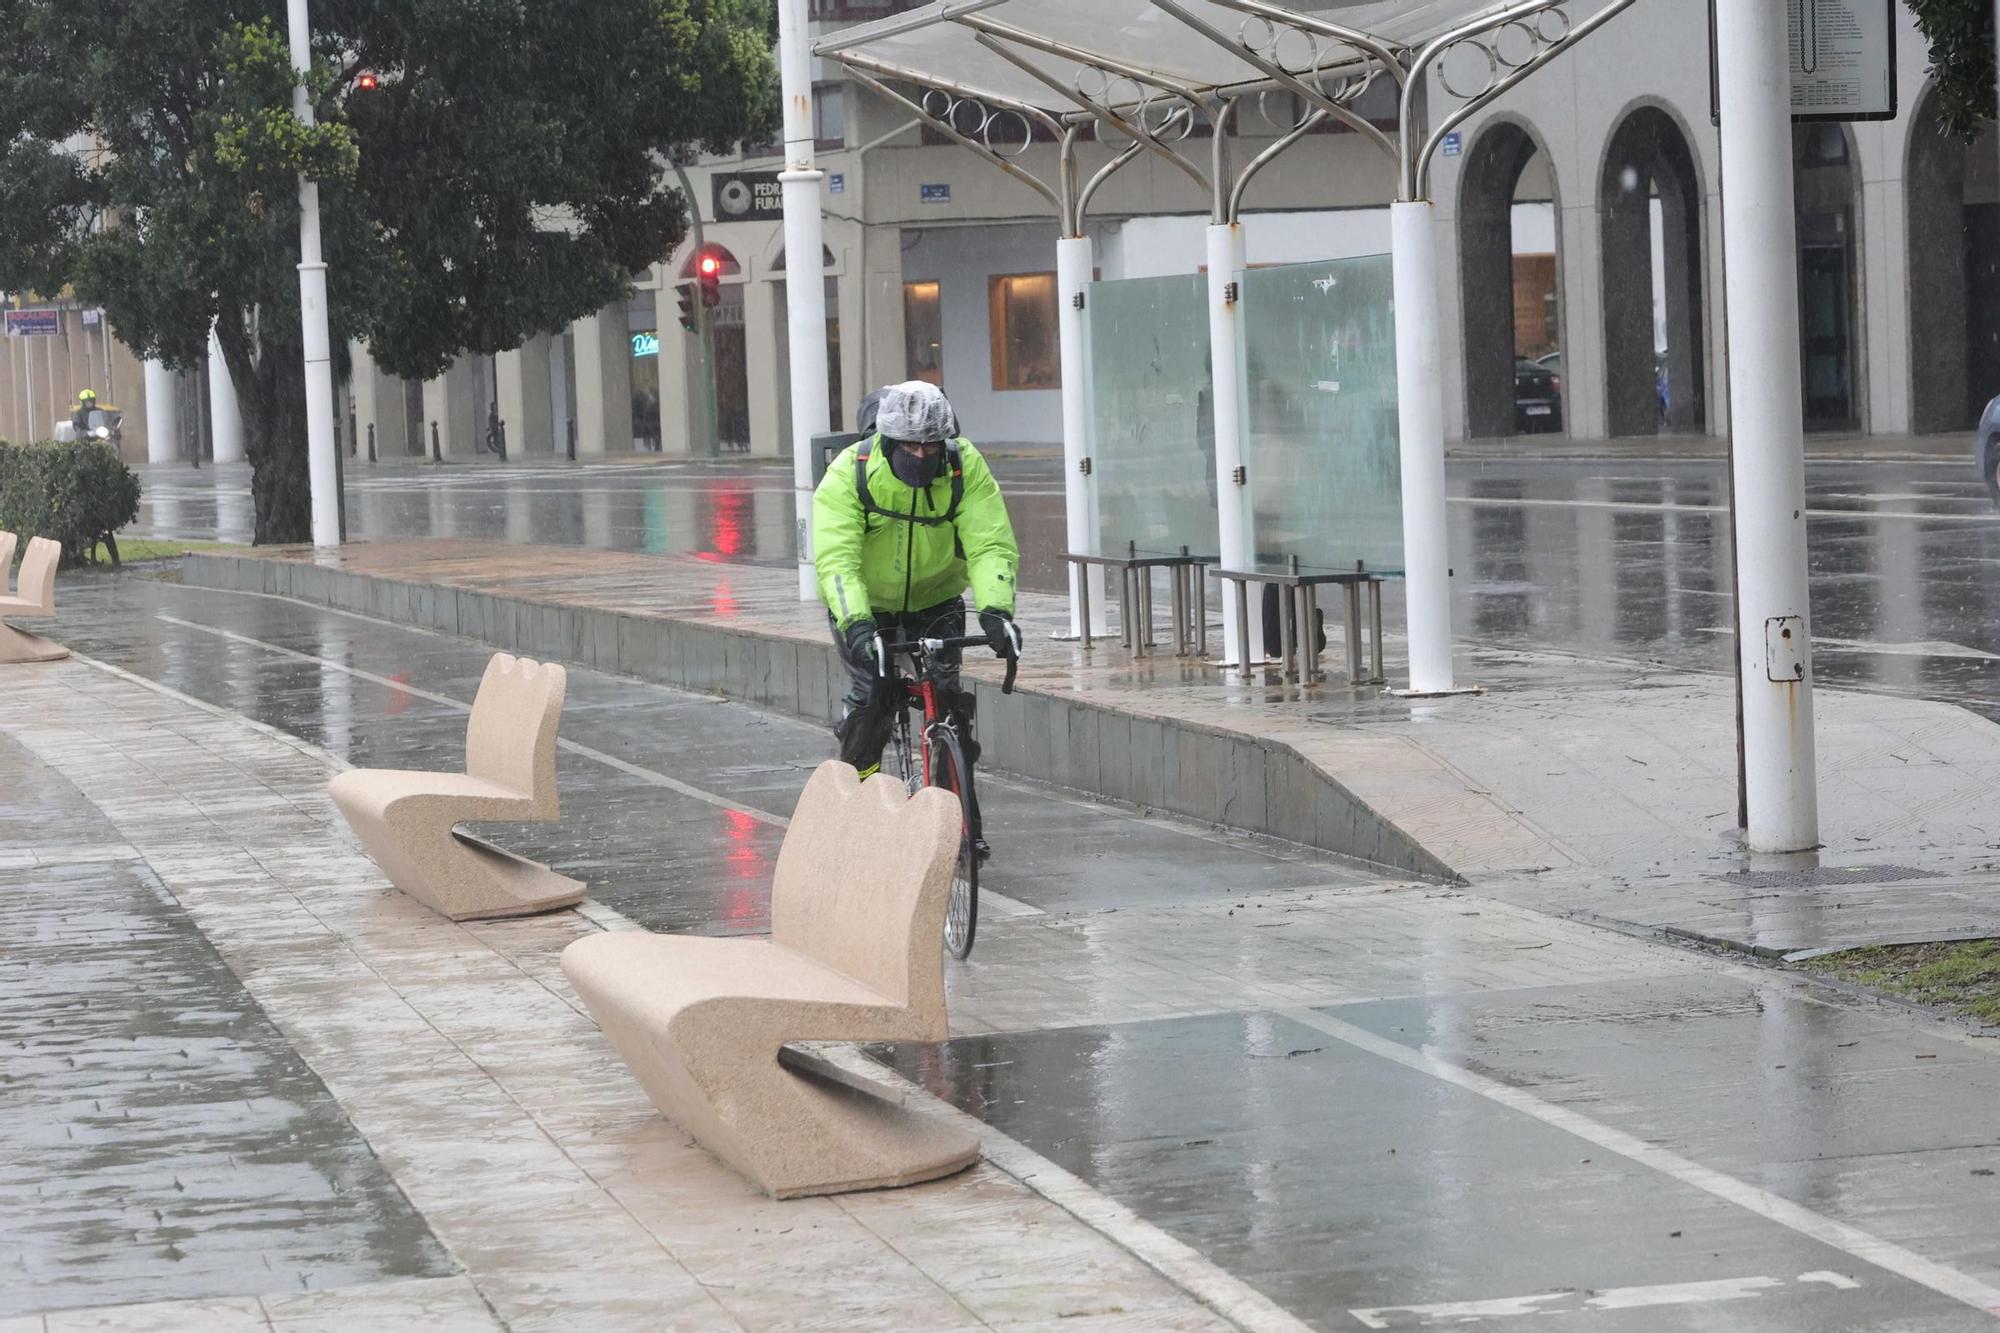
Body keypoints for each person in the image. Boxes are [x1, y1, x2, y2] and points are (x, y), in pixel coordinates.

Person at [812, 380, 1020, 854]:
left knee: (947, 699)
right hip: (869, 605)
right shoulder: (851, 472)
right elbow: (837, 559)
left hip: (937, 597)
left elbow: (990, 542)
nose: (922, 456)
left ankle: (960, 820)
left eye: (931, 446)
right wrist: (857, 624)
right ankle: (856, 799)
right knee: (873, 698)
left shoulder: (964, 467)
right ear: (887, 441)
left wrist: (996, 611)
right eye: (910, 446)